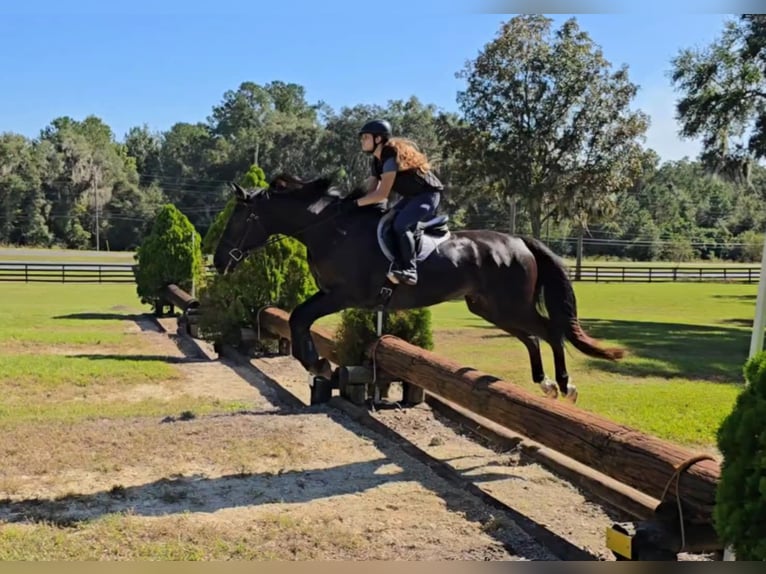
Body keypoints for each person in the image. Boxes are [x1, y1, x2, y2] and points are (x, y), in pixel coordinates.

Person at [352, 119, 444, 286]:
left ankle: (410, 270)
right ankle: (395, 263)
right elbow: (370, 189)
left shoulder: (390, 156)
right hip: (411, 198)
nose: (362, 141)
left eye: (365, 137)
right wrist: (349, 201)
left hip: (428, 196)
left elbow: (381, 194)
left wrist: (354, 204)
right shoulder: (376, 161)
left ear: (378, 139)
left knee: (400, 225)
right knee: (386, 222)